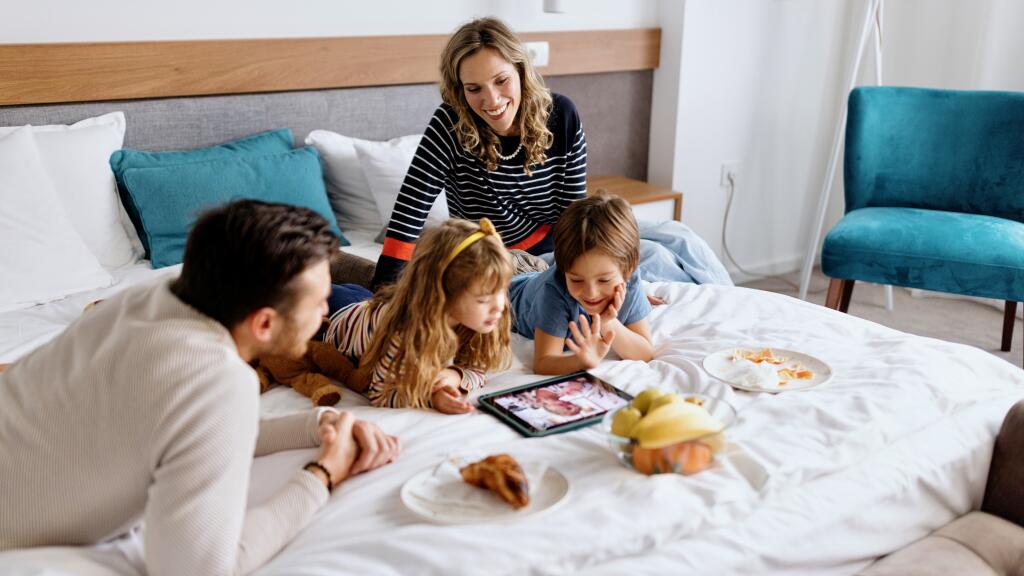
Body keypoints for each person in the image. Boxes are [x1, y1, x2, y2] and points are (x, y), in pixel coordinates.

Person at [0, 200, 400, 575]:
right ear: (264, 324)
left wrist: (321, 424)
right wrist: (323, 473)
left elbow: (191, 432)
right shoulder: (220, 379)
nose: (326, 312)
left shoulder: (146, 299)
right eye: (316, 303)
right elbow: (197, 568)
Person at [371, 17, 587, 289]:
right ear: (460, 90)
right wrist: (382, 294)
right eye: (474, 89)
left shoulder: (561, 116)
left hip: (555, 250)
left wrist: (598, 279)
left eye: (501, 81)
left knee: (652, 251)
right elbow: (409, 212)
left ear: (520, 71)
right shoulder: (449, 125)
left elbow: (575, 212)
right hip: (487, 258)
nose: (492, 100)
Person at [326, 218, 513, 414]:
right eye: (483, 299)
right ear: (442, 295)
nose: (499, 306)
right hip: (337, 314)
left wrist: (455, 375)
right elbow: (381, 395)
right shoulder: (404, 331)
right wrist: (430, 397)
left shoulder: (477, 320)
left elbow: (478, 368)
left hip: (370, 302)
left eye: (502, 291)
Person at [510, 192, 654, 374]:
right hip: (510, 284)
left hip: (535, 273)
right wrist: (580, 361)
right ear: (564, 271)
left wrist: (607, 323)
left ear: (630, 266)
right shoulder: (554, 291)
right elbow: (543, 362)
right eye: (576, 279)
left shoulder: (630, 279)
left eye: (604, 280)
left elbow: (646, 353)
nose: (591, 293)